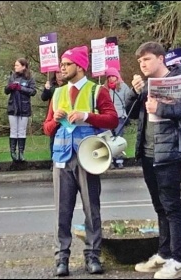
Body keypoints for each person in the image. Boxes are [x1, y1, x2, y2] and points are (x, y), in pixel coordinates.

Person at [125, 41, 181, 279]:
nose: (142, 64)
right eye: (140, 61)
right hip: (148, 152)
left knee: (172, 207)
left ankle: (177, 261)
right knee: (159, 206)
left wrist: (161, 108)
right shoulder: (147, 85)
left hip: (169, 153)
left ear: (160, 58)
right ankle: (163, 254)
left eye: (146, 59)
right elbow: (133, 114)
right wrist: (135, 93)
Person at [43, 45, 118, 276]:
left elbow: (112, 120)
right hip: (62, 158)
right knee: (61, 212)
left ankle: (93, 256)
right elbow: (46, 129)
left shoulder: (97, 91)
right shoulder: (57, 94)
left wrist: (87, 116)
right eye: (61, 65)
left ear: (79, 66)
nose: (62, 69)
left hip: (89, 158)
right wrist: (55, 121)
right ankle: (61, 259)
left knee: (91, 209)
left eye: (66, 64)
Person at [4, 58, 37, 162]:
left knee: (22, 131)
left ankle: (21, 153)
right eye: (15, 65)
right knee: (13, 130)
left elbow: (33, 91)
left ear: (23, 66)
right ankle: (13, 152)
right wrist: (10, 87)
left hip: (24, 107)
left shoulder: (29, 78)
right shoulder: (12, 76)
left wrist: (21, 88)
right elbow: (6, 91)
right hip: (13, 107)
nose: (15, 67)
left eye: (17, 65)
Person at [104, 67, 130, 169]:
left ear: (117, 77)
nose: (111, 78)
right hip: (108, 117)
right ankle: (109, 160)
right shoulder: (104, 88)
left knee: (118, 139)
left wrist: (126, 113)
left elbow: (128, 101)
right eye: (109, 76)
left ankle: (119, 160)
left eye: (113, 76)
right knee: (108, 138)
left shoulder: (123, 87)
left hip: (120, 117)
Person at [41, 71, 66, 169]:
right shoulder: (51, 85)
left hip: (65, 115)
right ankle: (53, 161)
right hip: (53, 115)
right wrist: (46, 89)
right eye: (57, 73)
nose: (59, 75)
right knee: (53, 139)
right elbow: (43, 97)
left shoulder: (68, 84)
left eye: (61, 72)